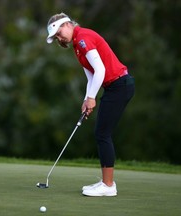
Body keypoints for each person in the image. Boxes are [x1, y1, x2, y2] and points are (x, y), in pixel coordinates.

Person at [46, 13, 135, 197]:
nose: (59, 37)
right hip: (114, 87)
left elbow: (101, 69)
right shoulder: (78, 46)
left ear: (67, 24)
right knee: (101, 133)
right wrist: (87, 98)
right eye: (56, 36)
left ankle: (109, 186)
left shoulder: (83, 38)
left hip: (120, 85)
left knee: (102, 133)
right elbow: (92, 76)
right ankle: (106, 182)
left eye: (59, 32)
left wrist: (92, 98)